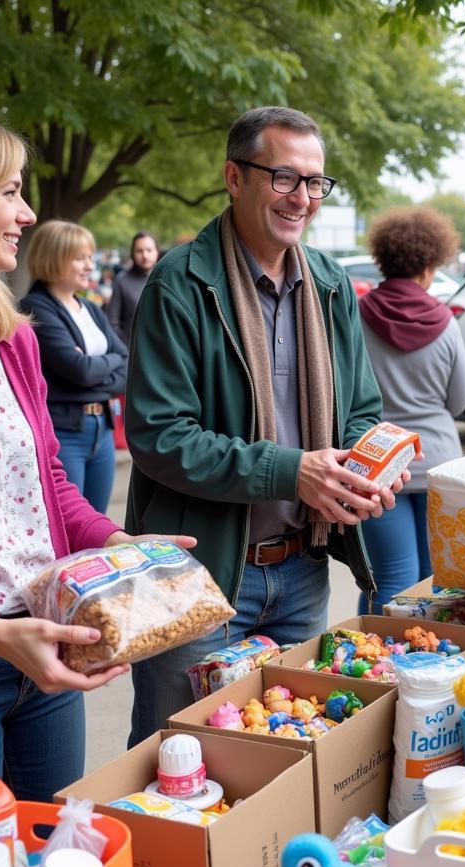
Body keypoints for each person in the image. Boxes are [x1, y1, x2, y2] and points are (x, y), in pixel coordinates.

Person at [0, 108, 190, 806]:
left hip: (49, 650)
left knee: (58, 860)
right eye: (10, 192)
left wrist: (122, 547)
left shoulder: (11, 336)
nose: (25, 213)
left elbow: (47, 485)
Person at [124, 106, 404, 747]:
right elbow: (160, 435)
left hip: (303, 571)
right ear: (234, 177)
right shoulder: (179, 282)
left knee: (288, 760)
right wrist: (292, 471)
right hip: (197, 578)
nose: (301, 197)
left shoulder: (330, 281)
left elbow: (361, 408)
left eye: (314, 182)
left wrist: (367, 467)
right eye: (283, 177)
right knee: (173, 759)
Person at [356, 206, 465, 612]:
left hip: (378, 466)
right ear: (428, 264)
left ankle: (375, 669)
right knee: (434, 581)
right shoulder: (445, 321)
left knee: (388, 579)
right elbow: (459, 401)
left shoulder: (357, 317)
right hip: (439, 462)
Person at [19, 221, 129, 514]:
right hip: (64, 434)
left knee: (98, 527)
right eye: (80, 258)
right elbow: (80, 370)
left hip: (102, 432)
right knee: (69, 530)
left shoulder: (90, 308)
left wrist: (93, 369)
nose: (88, 266)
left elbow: (126, 363)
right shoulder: (36, 307)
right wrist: (104, 366)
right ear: (54, 258)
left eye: (90, 257)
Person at [108, 232, 159, 344]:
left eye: (149, 250)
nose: (145, 255)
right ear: (132, 253)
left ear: (156, 252)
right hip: (132, 351)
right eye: (139, 251)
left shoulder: (165, 279)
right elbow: (112, 323)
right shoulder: (121, 281)